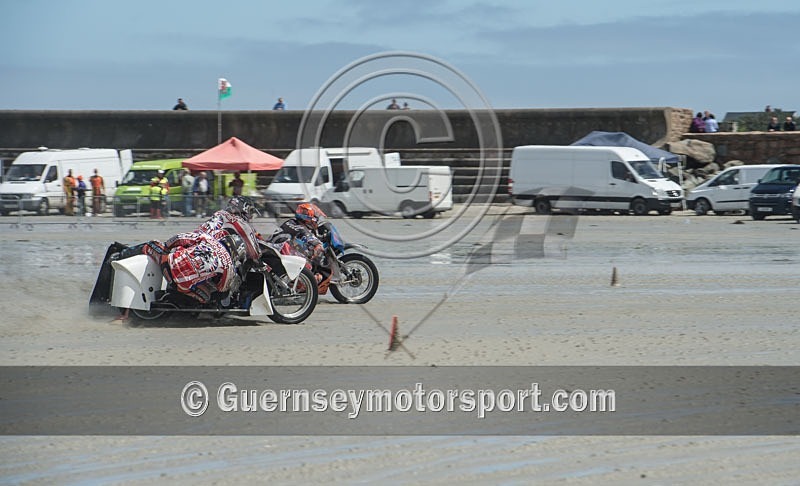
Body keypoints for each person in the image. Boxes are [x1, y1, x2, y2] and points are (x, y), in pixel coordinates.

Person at [277, 202, 328, 284]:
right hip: (278, 252)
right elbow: (306, 234)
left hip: (277, 250)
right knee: (306, 264)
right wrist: (317, 244)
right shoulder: (298, 226)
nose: (316, 221)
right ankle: (301, 283)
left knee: (302, 250)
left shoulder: (292, 222)